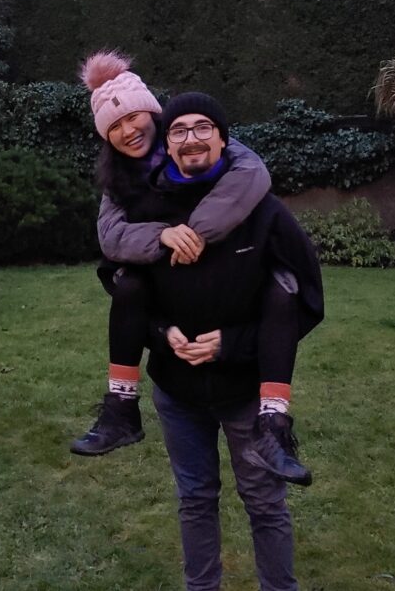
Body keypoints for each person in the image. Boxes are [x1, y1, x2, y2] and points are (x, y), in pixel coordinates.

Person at [70, 54, 313, 484]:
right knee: (128, 285)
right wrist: (162, 238)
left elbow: (252, 175)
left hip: (240, 381)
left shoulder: (225, 163)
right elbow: (111, 241)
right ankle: (121, 404)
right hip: (177, 383)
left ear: (155, 115)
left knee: (263, 501)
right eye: (115, 126)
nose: (128, 131)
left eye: (133, 117)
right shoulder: (124, 187)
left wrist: (198, 231)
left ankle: (274, 423)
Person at [134, 91, 324, 591]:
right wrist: (161, 334)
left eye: (203, 127)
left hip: (245, 392)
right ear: (167, 145)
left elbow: (305, 300)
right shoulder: (149, 210)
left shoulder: (264, 212)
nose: (191, 138)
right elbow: (127, 292)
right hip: (177, 392)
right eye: (178, 130)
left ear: (222, 139)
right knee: (195, 500)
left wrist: (232, 345)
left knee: (264, 502)